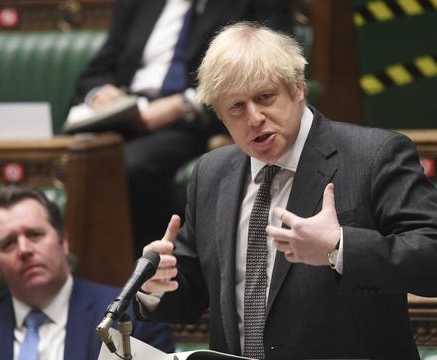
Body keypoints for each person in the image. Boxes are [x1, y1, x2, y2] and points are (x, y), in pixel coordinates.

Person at [136, 22, 437, 360]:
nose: (254, 118)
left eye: (265, 97)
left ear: (298, 88)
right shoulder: (211, 173)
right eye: (236, 107)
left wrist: (340, 247)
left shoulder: (373, 155)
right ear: (220, 116)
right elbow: (192, 297)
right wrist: (156, 284)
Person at [68, 0, 293, 257]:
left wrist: (183, 104)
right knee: (76, 154)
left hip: (192, 121)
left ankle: (147, 271)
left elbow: (271, 67)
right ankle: (89, 277)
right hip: (124, 114)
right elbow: (95, 72)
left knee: (131, 165)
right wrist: (99, 94)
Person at [0, 186, 174, 359]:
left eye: (34, 235)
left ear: (64, 242)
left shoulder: (129, 319)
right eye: (8, 243)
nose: (24, 250)